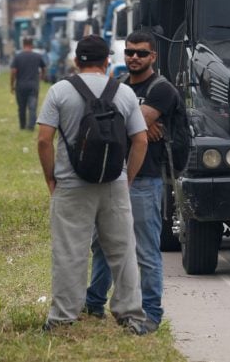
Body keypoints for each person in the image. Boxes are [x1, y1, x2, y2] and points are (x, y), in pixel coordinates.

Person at [36, 34, 150, 334]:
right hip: (115, 182)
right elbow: (140, 140)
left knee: (69, 251)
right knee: (123, 251)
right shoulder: (123, 93)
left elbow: (44, 139)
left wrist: (51, 177)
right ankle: (131, 316)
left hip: (71, 186)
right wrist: (129, 176)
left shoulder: (60, 91)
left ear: (76, 61)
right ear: (106, 61)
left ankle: (63, 318)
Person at [85, 31, 176, 333]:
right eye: (130, 52)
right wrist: (137, 126)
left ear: (153, 57)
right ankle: (94, 304)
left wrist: (126, 123)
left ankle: (151, 313)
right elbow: (117, 126)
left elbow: (119, 123)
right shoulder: (121, 88)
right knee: (103, 246)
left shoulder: (161, 89)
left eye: (141, 53)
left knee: (146, 251)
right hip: (114, 176)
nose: (134, 57)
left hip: (146, 179)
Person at [10, 37, 46, 130]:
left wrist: (12, 85)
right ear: (32, 44)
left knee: (21, 107)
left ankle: (22, 126)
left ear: (23, 44)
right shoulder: (37, 56)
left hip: (20, 85)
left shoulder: (18, 57)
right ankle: (31, 126)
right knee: (32, 107)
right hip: (33, 85)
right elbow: (44, 68)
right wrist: (41, 76)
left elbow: (13, 71)